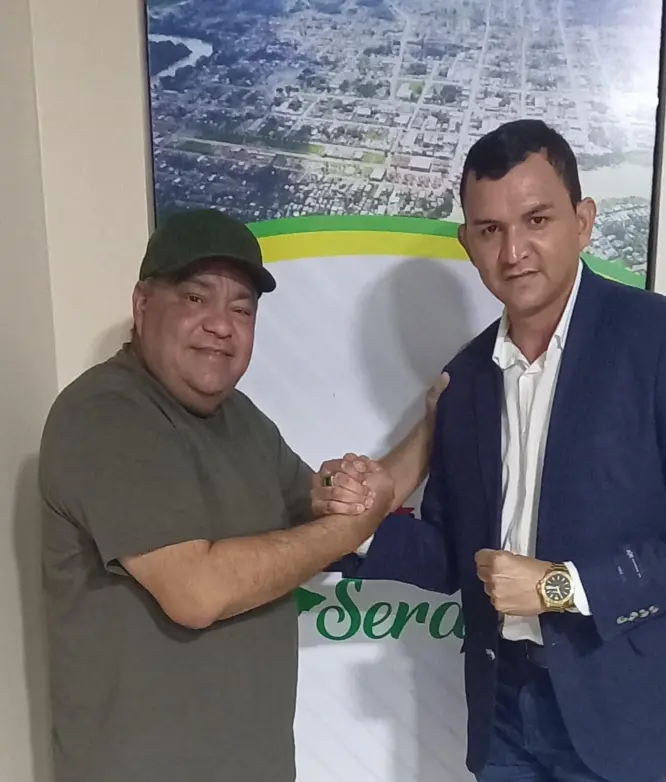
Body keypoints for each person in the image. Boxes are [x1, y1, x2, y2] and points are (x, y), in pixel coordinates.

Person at [312, 119, 666, 782]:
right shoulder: (466, 379)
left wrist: (561, 586)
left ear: (583, 222)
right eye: (490, 229)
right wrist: (355, 529)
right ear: (468, 243)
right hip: (503, 705)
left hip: (622, 707)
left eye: (537, 220)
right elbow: (455, 554)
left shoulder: (662, 338)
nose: (514, 251)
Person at [38, 208, 443, 782]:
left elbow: (337, 512)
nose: (221, 326)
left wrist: (431, 430)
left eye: (241, 309)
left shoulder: (241, 420)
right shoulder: (105, 414)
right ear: (142, 305)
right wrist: (346, 526)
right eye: (195, 298)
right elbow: (196, 592)